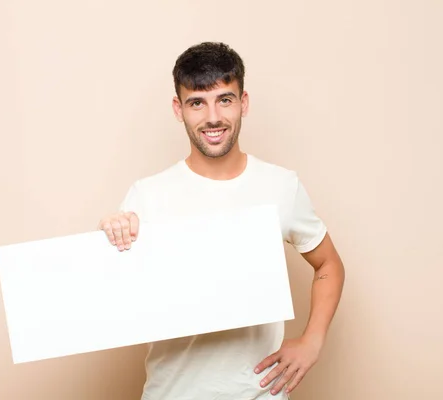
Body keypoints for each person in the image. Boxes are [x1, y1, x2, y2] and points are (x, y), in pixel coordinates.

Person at [97, 42, 345, 400]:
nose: (213, 116)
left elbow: (328, 264)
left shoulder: (280, 186)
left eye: (224, 100)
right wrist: (110, 238)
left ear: (243, 103)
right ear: (178, 109)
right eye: (197, 102)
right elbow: (114, 297)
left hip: (258, 394)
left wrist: (313, 340)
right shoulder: (147, 195)